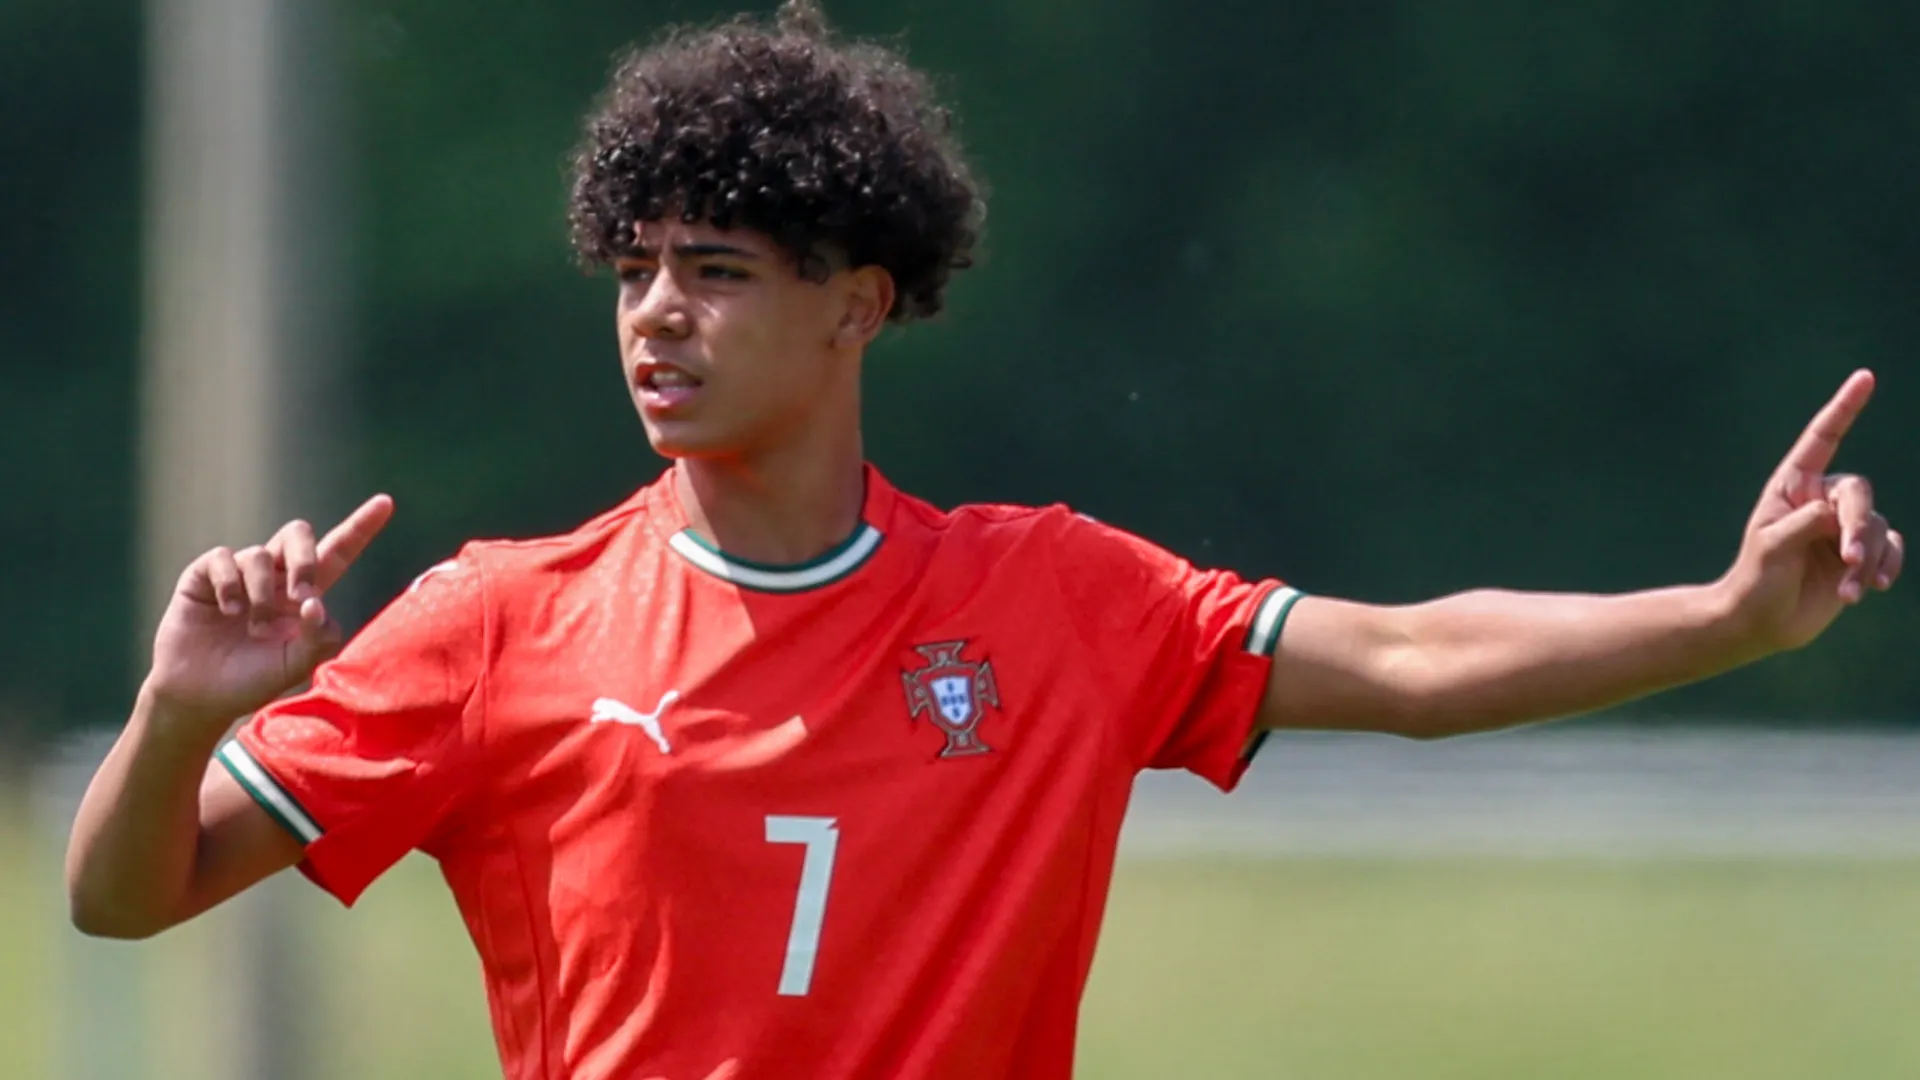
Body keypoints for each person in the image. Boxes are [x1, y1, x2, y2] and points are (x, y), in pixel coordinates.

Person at [65, 2, 1903, 1078]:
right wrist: (176, 715)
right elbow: (123, 894)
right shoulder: (497, 620)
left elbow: (1415, 662)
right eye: (634, 271)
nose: (654, 318)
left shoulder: (1055, 600)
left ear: (859, 306)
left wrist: (1728, 620)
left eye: (715, 274)